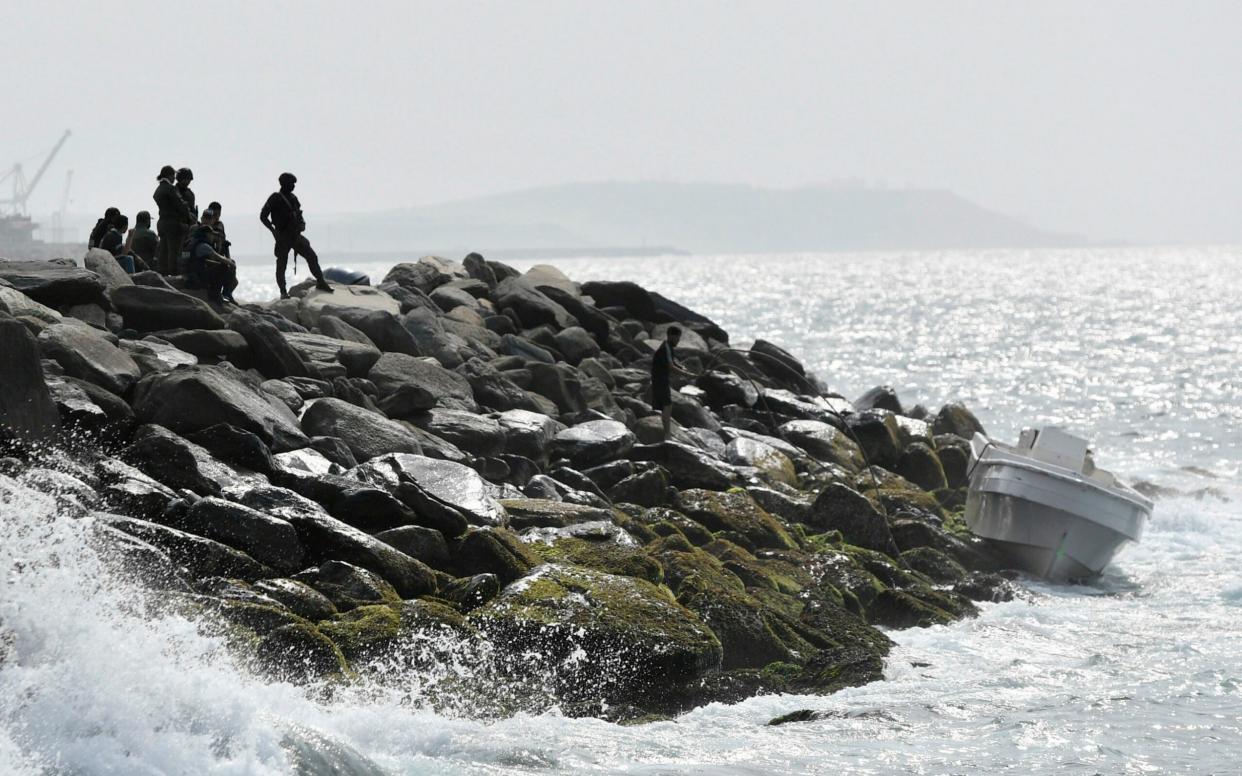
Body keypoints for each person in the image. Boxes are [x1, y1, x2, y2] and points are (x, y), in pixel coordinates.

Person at [260, 172, 332, 299]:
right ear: (284, 184)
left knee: (312, 256)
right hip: (282, 236)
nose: (293, 186)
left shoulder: (293, 198)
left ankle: (320, 281)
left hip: (295, 236)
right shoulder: (275, 198)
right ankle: (283, 291)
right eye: (291, 183)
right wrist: (273, 230)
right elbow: (263, 216)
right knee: (282, 264)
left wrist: (302, 224)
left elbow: (299, 214)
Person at [187, 208, 237, 305]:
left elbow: (198, 258)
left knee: (223, 267)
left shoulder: (194, 242)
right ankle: (216, 294)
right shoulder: (202, 244)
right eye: (211, 234)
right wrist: (229, 262)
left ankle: (225, 294)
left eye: (210, 218)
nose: (212, 236)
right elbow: (217, 256)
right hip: (197, 275)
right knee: (224, 267)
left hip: (194, 270)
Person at [651, 326, 693, 439]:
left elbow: (672, 361)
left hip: (660, 379)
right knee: (667, 406)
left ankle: (666, 432)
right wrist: (686, 374)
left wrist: (681, 367)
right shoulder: (666, 347)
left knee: (665, 405)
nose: (678, 341)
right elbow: (670, 366)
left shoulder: (668, 346)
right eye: (677, 338)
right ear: (671, 336)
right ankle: (667, 434)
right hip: (660, 380)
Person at [153, 165, 190, 274]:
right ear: (169, 175)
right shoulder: (170, 188)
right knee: (174, 249)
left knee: (163, 249)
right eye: (173, 175)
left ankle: (162, 271)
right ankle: (174, 272)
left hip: (162, 222)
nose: (174, 178)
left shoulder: (158, 189)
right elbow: (180, 204)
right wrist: (188, 213)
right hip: (173, 223)